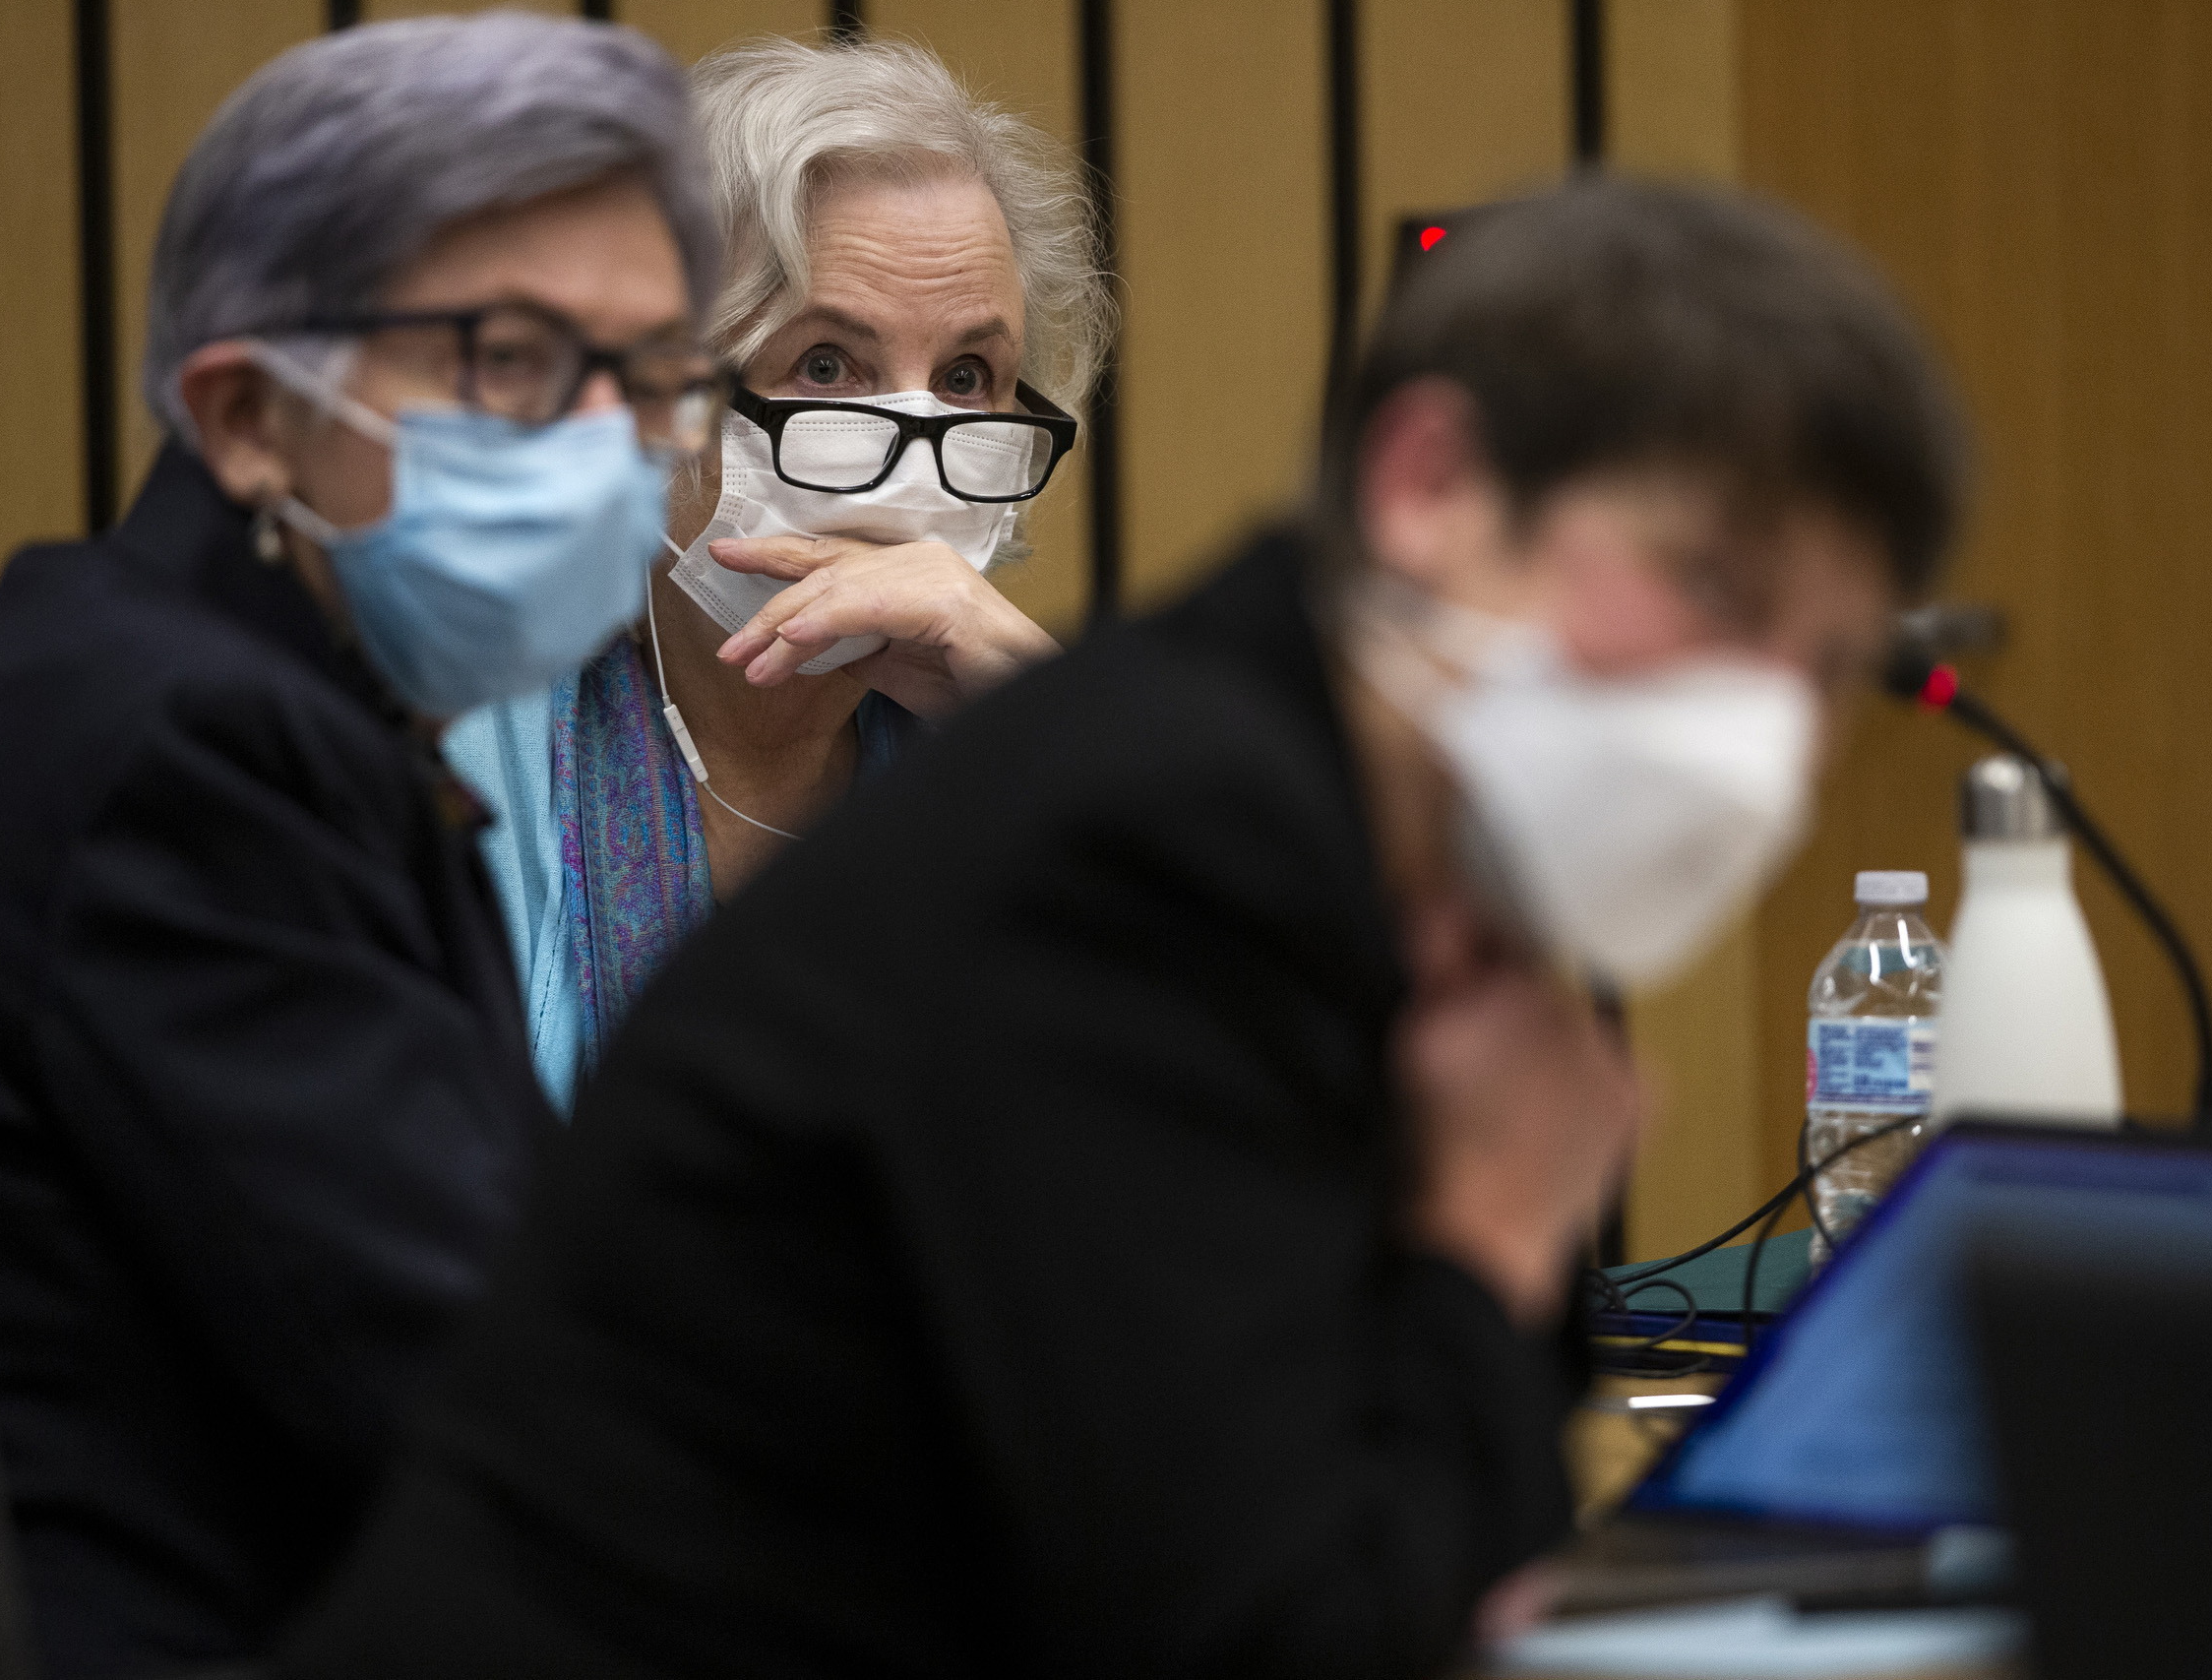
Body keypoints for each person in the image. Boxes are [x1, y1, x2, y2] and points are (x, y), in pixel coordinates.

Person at [278, 178, 1964, 1678]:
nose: (1767, 735)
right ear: (1433, 482)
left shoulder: (1340, 839)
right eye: (1718, 596)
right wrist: (1493, 1233)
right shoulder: (1162, 841)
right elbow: (1268, 1635)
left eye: (1819, 665)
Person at [0, 14, 717, 1678]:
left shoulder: (288, 705)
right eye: (509, 359)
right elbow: (482, 1395)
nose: (603, 442)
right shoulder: (174, 741)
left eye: (649, 377)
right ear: (251, 414)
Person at [444, 35, 1109, 1109]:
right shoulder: (450, 759)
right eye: (828, 363)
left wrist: (1045, 721)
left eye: (967, 375)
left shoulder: (1018, 768)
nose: (912, 438)